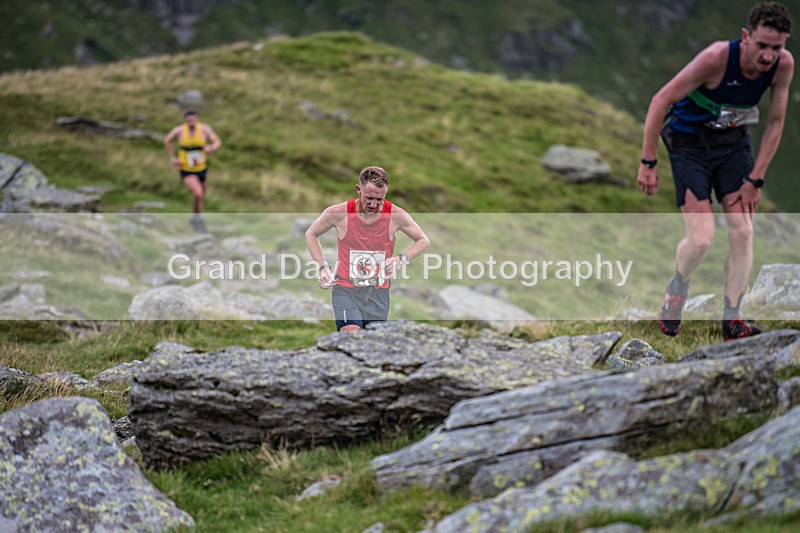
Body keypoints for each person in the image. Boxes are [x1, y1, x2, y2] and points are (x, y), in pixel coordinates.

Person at [637, 2, 793, 341]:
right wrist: (648, 161)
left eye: (777, 47)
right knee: (703, 238)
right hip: (689, 145)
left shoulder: (783, 65)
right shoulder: (716, 58)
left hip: (733, 148)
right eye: (762, 45)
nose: (768, 56)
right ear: (745, 36)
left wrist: (756, 179)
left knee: (742, 232)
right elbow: (659, 101)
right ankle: (677, 289)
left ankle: (733, 318)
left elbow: (776, 122)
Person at [305, 166, 430, 331]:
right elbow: (311, 234)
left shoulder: (395, 215)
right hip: (345, 288)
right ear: (358, 190)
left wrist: (400, 259)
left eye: (379, 199)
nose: (373, 204)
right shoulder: (339, 213)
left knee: (372, 346)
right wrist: (322, 268)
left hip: (378, 292)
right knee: (351, 337)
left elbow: (423, 240)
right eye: (369, 197)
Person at [164, 108, 222, 232]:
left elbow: (217, 141)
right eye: (188, 117)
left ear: (197, 118)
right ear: (185, 119)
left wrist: (211, 148)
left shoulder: (204, 129)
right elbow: (167, 141)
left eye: (193, 117)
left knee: (201, 196)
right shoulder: (179, 130)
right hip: (186, 168)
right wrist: (172, 158)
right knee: (198, 193)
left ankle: (196, 217)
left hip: (201, 167)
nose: (191, 119)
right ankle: (198, 219)